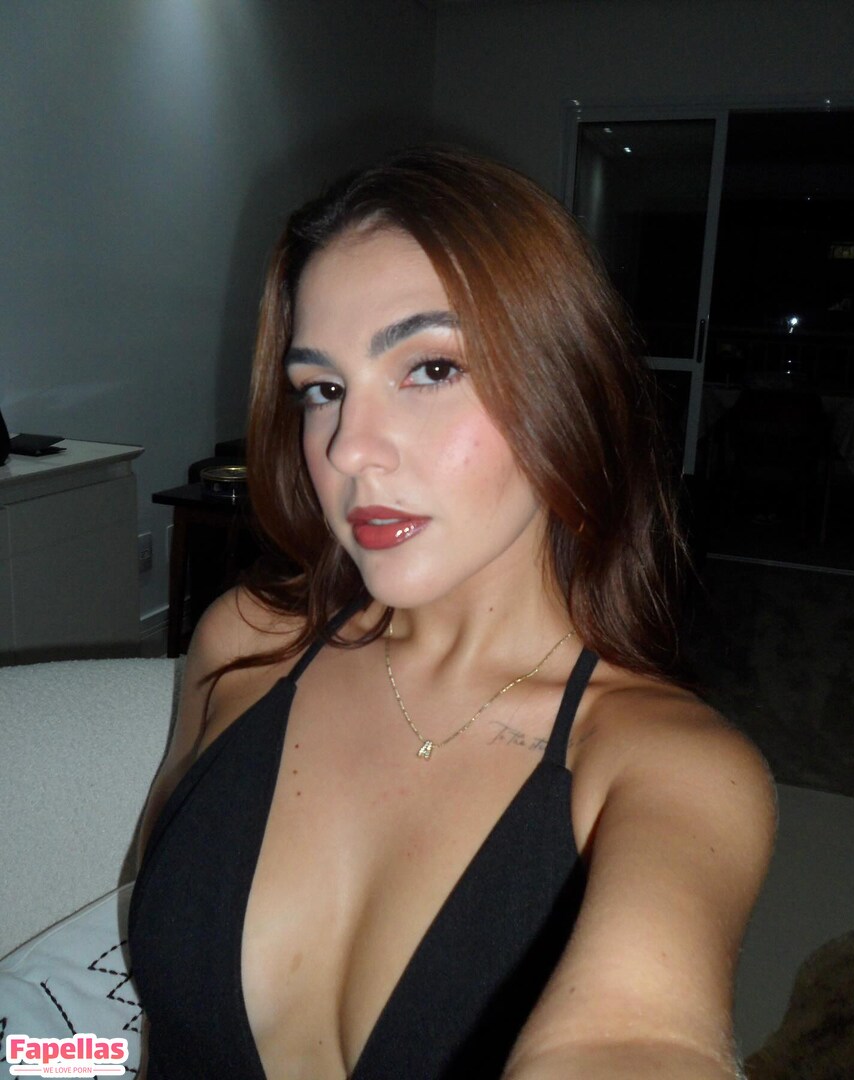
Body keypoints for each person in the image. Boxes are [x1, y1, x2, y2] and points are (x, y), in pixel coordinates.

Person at [129, 147, 776, 1080]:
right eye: (323, 389)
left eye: (430, 368)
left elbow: (640, 1036)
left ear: (566, 384)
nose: (350, 449)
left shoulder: (668, 768)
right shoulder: (244, 646)